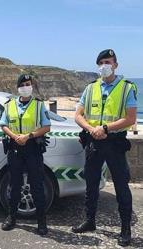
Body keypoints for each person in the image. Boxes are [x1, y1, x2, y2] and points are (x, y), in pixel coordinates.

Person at [72, 49, 138, 247]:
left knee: (120, 185)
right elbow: (78, 115)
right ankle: (90, 221)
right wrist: (92, 129)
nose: (104, 66)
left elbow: (131, 118)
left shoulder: (127, 88)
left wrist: (106, 128)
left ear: (116, 65)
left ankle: (125, 229)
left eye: (108, 62)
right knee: (91, 183)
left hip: (114, 142)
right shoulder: (91, 88)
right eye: (101, 63)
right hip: (93, 141)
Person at [0, 74, 51, 235]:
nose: (26, 87)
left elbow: (46, 127)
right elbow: (3, 124)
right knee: (14, 185)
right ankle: (11, 217)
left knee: (36, 186)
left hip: (32, 148)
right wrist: (15, 137)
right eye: (23, 84)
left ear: (32, 86)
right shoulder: (9, 105)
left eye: (28, 84)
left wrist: (28, 136)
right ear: (18, 88)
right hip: (15, 148)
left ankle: (41, 222)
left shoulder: (39, 105)